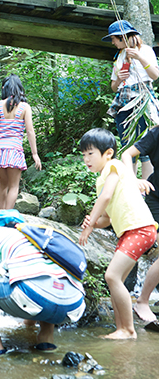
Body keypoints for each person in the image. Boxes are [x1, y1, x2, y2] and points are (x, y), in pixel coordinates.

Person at [0, 210, 86, 353]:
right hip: (74, 306)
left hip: (33, 296)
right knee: (46, 274)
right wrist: (29, 325)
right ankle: (45, 339)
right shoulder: (37, 237)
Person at [79, 128, 157, 339]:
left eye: (91, 153)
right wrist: (94, 223)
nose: (86, 159)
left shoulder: (113, 167)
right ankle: (120, 328)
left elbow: (105, 198)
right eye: (83, 154)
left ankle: (128, 330)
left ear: (108, 153)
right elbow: (107, 218)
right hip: (129, 231)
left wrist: (88, 226)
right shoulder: (100, 180)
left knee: (111, 276)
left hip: (140, 229)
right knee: (116, 280)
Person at [103, 20, 159, 179]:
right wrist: (119, 79)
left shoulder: (145, 50)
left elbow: (155, 76)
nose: (113, 42)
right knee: (127, 144)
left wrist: (139, 57)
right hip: (123, 102)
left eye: (114, 38)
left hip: (142, 99)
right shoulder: (118, 56)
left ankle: (148, 187)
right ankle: (131, 187)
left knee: (145, 144)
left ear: (123, 37)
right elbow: (114, 87)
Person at [0, 74, 41, 209]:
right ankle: (7, 214)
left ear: (5, 88)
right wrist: (35, 154)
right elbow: (30, 131)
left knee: (3, 183)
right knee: (14, 186)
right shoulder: (25, 107)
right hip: (14, 150)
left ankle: (1, 212)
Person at [121, 127, 159, 322]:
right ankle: (142, 301)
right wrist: (133, 179)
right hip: (156, 199)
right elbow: (127, 154)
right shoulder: (156, 134)